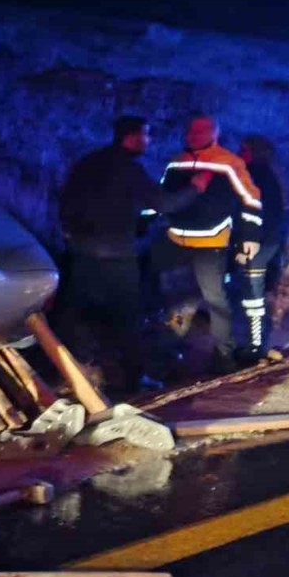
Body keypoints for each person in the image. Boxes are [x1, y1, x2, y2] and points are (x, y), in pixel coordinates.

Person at [56, 116, 210, 393]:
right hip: (116, 257)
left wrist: (72, 235)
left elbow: (67, 202)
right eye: (146, 136)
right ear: (131, 137)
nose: (148, 142)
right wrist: (196, 187)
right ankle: (132, 381)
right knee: (125, 318)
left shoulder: (88, 163)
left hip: (82, 254)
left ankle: (74, 374)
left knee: (76, 315)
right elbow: (164, 203)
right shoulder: (129, 170)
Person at [159, 114, 263, 372]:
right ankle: (173, 354)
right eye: (191, 130)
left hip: (210, 241)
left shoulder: (228, 162)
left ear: (214, 133)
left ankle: (224, 355)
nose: (193, 135)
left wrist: (250, 236)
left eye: (201, 130)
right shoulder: (176, 162)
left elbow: (250, 200)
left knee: (215, 299)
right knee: (174, 299)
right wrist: (143, 220)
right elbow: (161, 197)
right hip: (175, 241)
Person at [234, 135, 289, 364]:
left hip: (257, 244)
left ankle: (254, 348)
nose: (239, 152)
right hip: (270, 242)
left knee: (252, 296)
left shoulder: (255, 175)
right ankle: (255, 344)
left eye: (243, 149)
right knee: (255, 294)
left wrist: (247, 244)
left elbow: (254, 213)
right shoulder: (271, 175)